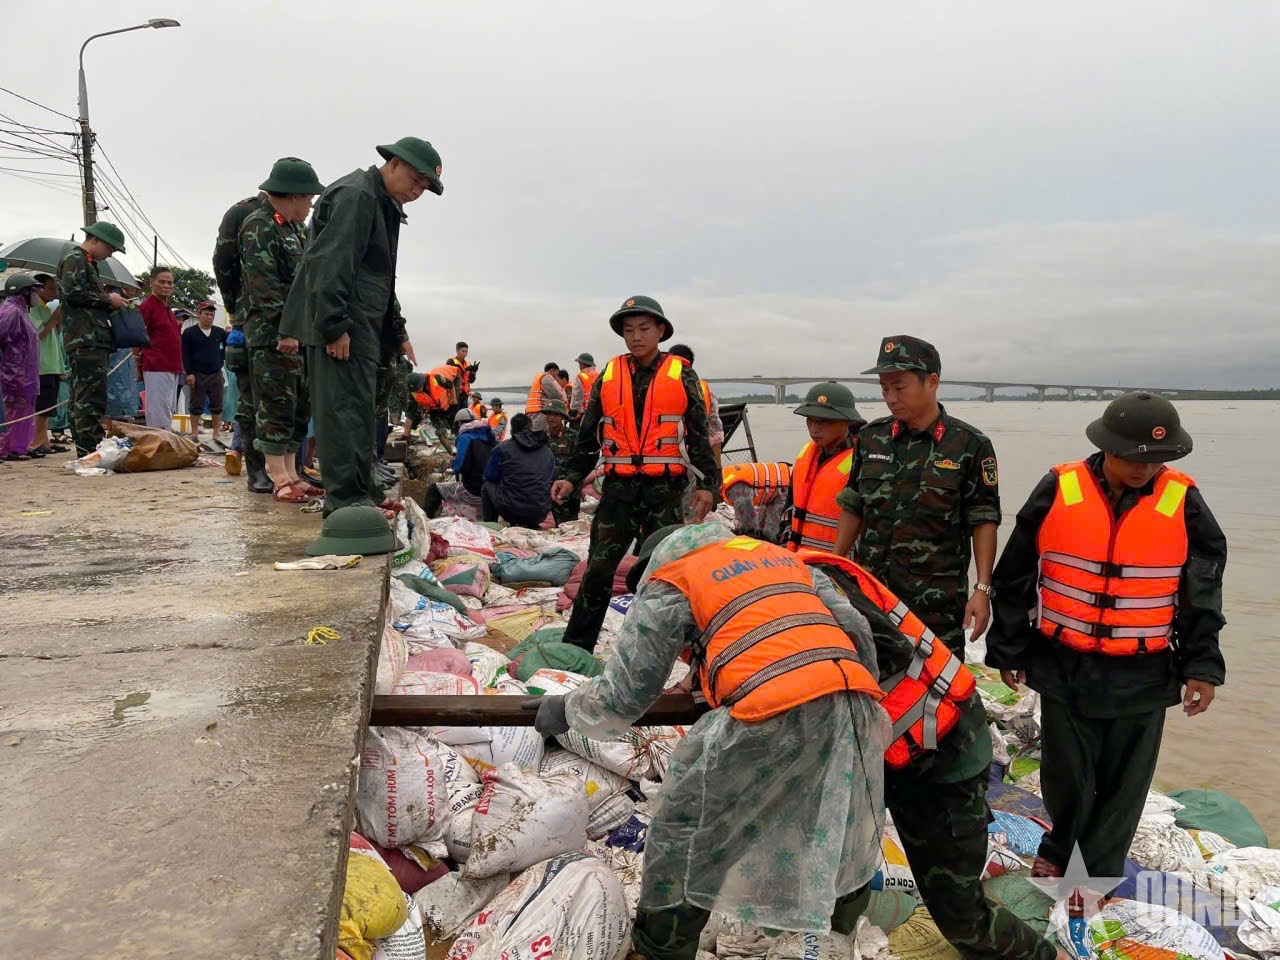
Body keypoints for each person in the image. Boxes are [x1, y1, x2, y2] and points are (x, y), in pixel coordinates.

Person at [529, 522, 888, 958]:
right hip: (854, 700)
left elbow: (626, 695)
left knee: (688, 833)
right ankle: (837, 935)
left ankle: (663, 947)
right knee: (837, 821)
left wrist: (566, 711)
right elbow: (853, 629)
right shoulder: (783, 562)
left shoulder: (673, 578)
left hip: (768, 710)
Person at [985, 392, 1226, 884]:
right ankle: (1060, 847)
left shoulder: (1183, 500)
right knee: (1066, 776)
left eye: (1156, 458)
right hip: (1063, 661)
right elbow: (1016, 573)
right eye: (1134, 456)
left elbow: (1203, 591)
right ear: (1106, 446)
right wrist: (1009, 646)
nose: (1144, 468)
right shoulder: (1060, 487)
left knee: (1125, 787)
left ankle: (1095, 878)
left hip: (1143, 669)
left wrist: (1202, 666)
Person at [801, 546, 1067, 960]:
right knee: (836, 884)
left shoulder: (810, 600)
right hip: (875, 750)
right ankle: (832, 941)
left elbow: (879, 661)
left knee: (962, 921)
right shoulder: (784, 589)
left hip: (940, 751)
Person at [281, 137, 439, 517]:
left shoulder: (383, 203)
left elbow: (380, 278)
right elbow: (329, 264)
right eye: (416, 180)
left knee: (362, 415)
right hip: (344, 328)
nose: (418, 191)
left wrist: (397, 332)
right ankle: (346, 501)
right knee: (341, 413)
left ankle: (362, 490)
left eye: (425, 187)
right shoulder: (357, 196)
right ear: (395, 163)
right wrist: (334, 326)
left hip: (365, 327)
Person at [551, 295, 719, 651]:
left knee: (664, 574)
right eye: (629, 330)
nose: (636, 337)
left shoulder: (681, 373)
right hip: (619, 491)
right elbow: (588, 435)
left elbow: (699, 434)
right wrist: (570, 475)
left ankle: (663, 650)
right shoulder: (609, 374)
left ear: (660, 331)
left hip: (666, 490)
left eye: (644, 329)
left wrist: (709, 485)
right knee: (598, 570)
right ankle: (576, 648)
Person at [832, 335, 1000, 659]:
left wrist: (982, 589)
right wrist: (835, 565)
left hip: (936, 608)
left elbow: (984, 519)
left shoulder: (968, 445)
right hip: (872, 598)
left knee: (940, 699)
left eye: (899, 387)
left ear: (932, 382)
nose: (891, 398)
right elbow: (854, 503)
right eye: (884, 389)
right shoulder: (870, 438)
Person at [241, 158, 326, 502]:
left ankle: (292, 471)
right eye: (309, 199)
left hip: (298, 333)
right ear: (293, 195)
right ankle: (279, 477)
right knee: (276, 403)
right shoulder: (259, 226)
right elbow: (266, 287)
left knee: (296, 405)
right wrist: (285, 330)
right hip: (273, 334)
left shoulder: (293, 228)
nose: (310, 206)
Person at [213, 188, 269, 488]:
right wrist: (235, 309)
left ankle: (287, 469)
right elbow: (223, 263)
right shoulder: (242, 213)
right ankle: (255, 469)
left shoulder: (290, 221)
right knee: (251, 399)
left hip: (282, 323)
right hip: (250, 320)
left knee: (283, 400)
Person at [57, 221, 127, 458]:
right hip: (86, 339)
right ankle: (91, 450)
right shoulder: (76, 260)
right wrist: (109, 300)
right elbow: (74, 294)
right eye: (110, 248)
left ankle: (86, 450)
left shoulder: (87, 263)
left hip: (89, 337)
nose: (110, 254)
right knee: (90, 397)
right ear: (96, 240)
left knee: (83, 395)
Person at [784, 382, 865, 553]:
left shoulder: (863, 459)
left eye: (824, 421)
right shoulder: (806, 453)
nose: (814, 429)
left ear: (847, 421)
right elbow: (789, 509)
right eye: (810, 420)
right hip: (799, 561)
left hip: (839, 567)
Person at [482, 411, 555, 527]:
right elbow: (549, 476)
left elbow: (490, 476)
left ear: (511, 430)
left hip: (511, 511)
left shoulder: (502, 448)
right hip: (540, 510)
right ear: (531, 428)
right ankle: (534, 524)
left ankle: (491, 526)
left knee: (487, 486)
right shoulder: (547, 451)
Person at [0, 274, 41, 461]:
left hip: (25, 373)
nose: (37, 294)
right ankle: (8, 448)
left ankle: (19, 446)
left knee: (24, 411)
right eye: (34, 291)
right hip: (13, 373)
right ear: (23, 291)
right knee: (13, 412)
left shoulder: (22, 311)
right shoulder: (11, 312)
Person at [29, 274, 68, 456]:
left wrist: (57, 321)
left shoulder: (46, 307)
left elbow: (54, 331)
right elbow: (36, 334)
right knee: (41, 405)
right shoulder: (33, 308)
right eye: (51, 288)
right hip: (41, 363)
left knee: (49, 406)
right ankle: (35, 440)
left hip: (53, 361)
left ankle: (43, 439)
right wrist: (53, 321)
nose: (55, 292)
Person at [666, 344, 724, 463]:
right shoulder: (703, 390)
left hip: (666, 459)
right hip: (691, 457)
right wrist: (717, 466)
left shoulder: (654, 388)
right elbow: (715, 430)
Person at [182, 301, 227, 439]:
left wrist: (221, 365)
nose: (209, 317)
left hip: (215, 372)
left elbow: (225, 350)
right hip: (197, 373)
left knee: (217, 403)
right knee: (196, 404)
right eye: (206, 314)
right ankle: (194, 431)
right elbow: (185, 354)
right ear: (198, 314)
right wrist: (189, 373)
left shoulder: (219, 332)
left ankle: (216, 432)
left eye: (212, 315)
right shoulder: (189, 333)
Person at [541, 398, 579, 525]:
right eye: (549, 414)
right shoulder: (541, 437)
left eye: (555, 414)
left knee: (568, 527)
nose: (551, 417)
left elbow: (579, 465)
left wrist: (575, 489)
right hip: (546, 489)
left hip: (566, 492)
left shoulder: (573, 436)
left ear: (563, 416)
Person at [445, 341, 477, 406]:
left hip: (465, 394)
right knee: (455, 412)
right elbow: (450, 376)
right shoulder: (451, 361)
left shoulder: (468, 363)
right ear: (457, 351)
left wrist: (473, 372)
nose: (465, 353)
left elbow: (471, 380)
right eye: (463, 351)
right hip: (455, 392)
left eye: (466, 352)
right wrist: (466, 369)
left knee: (463, 413)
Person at [570, 351, 598, 419]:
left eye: (579, 364)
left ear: (583, 364)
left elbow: (577, 395)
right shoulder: (598, 374)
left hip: (587, 412)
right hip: (598, 410)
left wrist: (574, 410)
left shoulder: (581, 376)